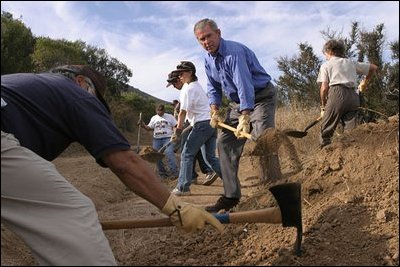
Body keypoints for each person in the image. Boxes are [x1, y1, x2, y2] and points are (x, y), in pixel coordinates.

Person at [1, 65, 224, 266]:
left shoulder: (33, 91)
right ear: (80, 82)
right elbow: (124, 162)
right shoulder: (74, 93)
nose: (94, 104)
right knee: (75, 214)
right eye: (96, 99)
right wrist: (176, 208)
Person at [193, 18, 280, 212]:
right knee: (224, 142)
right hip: (238, 103)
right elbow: (213, 86)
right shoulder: (207, 59)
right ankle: (231, 196)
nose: (206, 42)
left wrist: (246, 115)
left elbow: (244, 84)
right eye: (201, 39)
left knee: (263, 138)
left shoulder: (234, 53)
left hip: (261, 98)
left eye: (209, 36)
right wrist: (214, 109)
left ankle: (275, 190)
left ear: (219, 33)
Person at [168, 61, 222, 195]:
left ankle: (183, 188)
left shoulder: (188, 88)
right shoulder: (196, 86)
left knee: (186, 154)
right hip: (210, 125)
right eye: (178, 73)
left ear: (190, 73)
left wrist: (178, 131)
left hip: (202, 124)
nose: (179, 76)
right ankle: (230, 180)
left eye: (181, 73)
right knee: (210, 158)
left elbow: (182, 112)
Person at [317, 39, 378, 148]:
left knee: (326, 131)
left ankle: (325, 155)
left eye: (325, 53)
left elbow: (324, 88)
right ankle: (350, 153)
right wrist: (364, 82)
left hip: (337, 94)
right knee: (351, 132)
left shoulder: (326, 65)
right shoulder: (351, 62)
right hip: (354, 97)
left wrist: (323, 106)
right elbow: (373, 68)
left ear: (330, 51)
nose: (325, 56)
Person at [138, 103, 179, 180]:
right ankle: (163, 174)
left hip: (168, 138)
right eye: (158, 110)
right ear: (156, 110)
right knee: (156, 156)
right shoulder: (154, 118)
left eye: (161, 110)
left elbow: (176, 126)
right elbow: (149, 128)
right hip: (157, 139)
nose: (160, 112)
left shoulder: (170, 116)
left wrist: (175, 133)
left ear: (164, 110)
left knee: (169, 153)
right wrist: (143, 125)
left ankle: (175, 173)